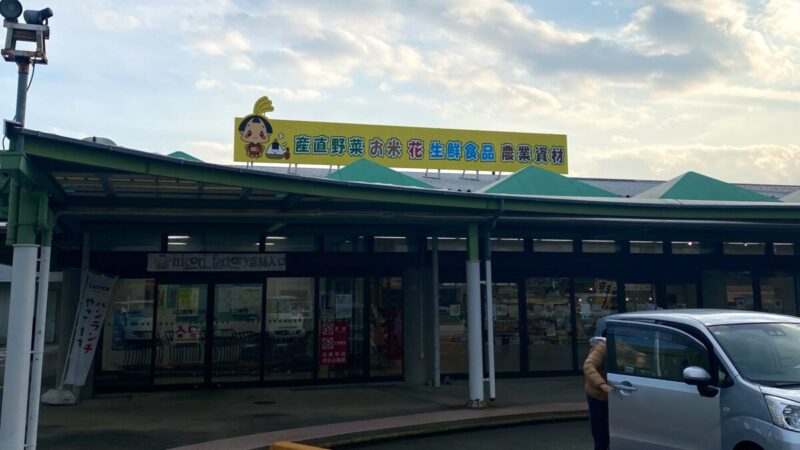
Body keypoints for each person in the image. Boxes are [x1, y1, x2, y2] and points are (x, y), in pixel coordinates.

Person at [584, 336, 612, 450]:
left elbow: (636, 354)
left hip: (608, 395)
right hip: (597, 395)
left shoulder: (618, 344)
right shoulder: (602, 347)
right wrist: (601, 383)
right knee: (599, 429)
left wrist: (640, 360)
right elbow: (588, 365)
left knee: (607, 428)